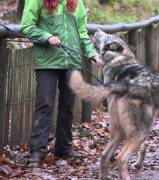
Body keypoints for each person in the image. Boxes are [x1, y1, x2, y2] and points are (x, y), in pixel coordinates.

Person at [20, 0, 103, 164]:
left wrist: (92, 53)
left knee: (68, 105)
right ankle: (38, 151)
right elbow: (26, 27)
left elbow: (82, 31)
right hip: (47, 61)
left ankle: (63, 149)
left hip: (72, 61)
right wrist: (47, 36)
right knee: (45, 104)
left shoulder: (76, 2)